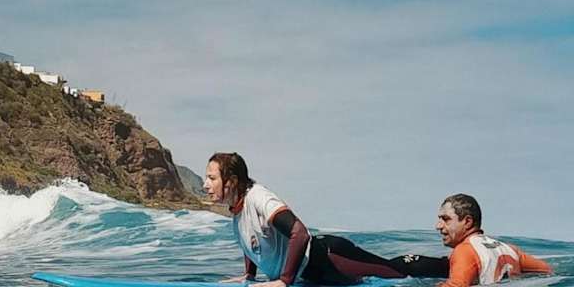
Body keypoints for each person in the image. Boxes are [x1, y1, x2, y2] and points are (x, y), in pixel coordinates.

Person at [203, 152, 449, 286]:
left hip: (328, 258)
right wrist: (249, 275)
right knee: (389, 269)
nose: (206, 185)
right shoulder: (237, 212)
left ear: (232, 181)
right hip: (311, 274)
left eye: (212, 178)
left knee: (397, 272)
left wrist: (284, 281)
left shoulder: (259, 198)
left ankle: (446, 265)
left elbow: (300, 233)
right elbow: (253, 241)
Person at [436, 193, 552, 287]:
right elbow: (546, 270)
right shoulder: (509, 249)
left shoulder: (464, 250)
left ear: (467, 222)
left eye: (446, 219)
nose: (438, 226)